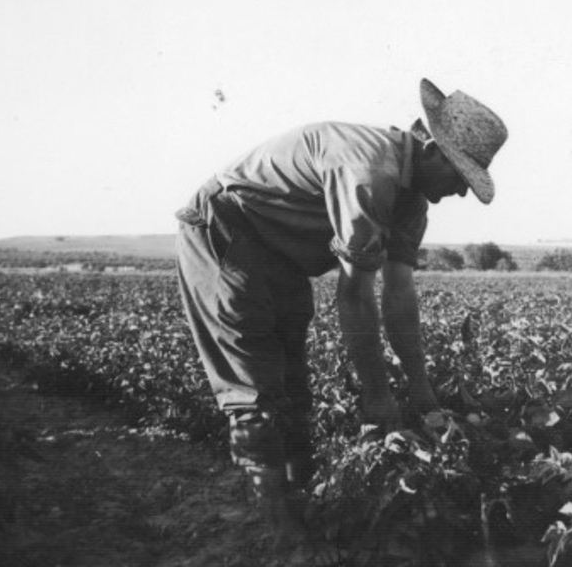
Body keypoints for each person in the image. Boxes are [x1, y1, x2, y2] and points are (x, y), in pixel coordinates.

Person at [173, 78, 507, 553]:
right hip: (225, 231)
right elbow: (355, 295)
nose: (460, 192)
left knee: (294, 384)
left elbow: (399, 296)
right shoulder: (368, 170)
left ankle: (306, 503)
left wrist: (422, 392)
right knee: (255, 386)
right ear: (432, 150)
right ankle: (278, 534)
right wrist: (377, 398)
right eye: (460, 176)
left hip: (282, 253)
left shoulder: (412, 200)